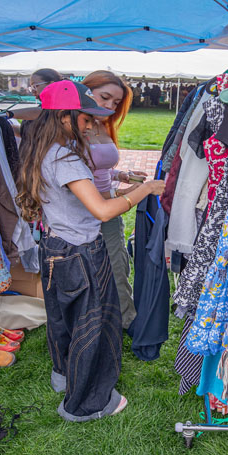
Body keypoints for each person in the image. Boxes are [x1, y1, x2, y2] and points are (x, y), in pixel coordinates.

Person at [14, 79, 165, 422]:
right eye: (85, 118)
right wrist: (144, 190)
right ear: (64, 117)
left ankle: (63, 375)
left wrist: (121, 187)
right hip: (80, 252)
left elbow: (83, 201)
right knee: (93, 325)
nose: (91, 123)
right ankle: (86, 404)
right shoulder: (66, 157)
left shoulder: (44, 148)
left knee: (62, 319)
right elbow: (102, 211)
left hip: (55, 245)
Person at [81, 70, 146, 331]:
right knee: (88, 271)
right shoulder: (73, 128)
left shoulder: (101, 124)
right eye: (104, 97)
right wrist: (123, 194)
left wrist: (122, 175)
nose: (109, 106)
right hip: (83, 211)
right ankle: (97, 320)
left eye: (116, 102)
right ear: (86, 91)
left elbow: (100, 167)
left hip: (108, 210)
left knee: (118, 265)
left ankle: (125, 319)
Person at [14, 68, 63, 133]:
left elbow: (45, 113)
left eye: (35, 86)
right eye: (31, 87)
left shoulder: (64, 107)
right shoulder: (42, 106)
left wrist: (8, 114)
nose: (33, 91)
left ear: (51, 84)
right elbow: (27, 133)